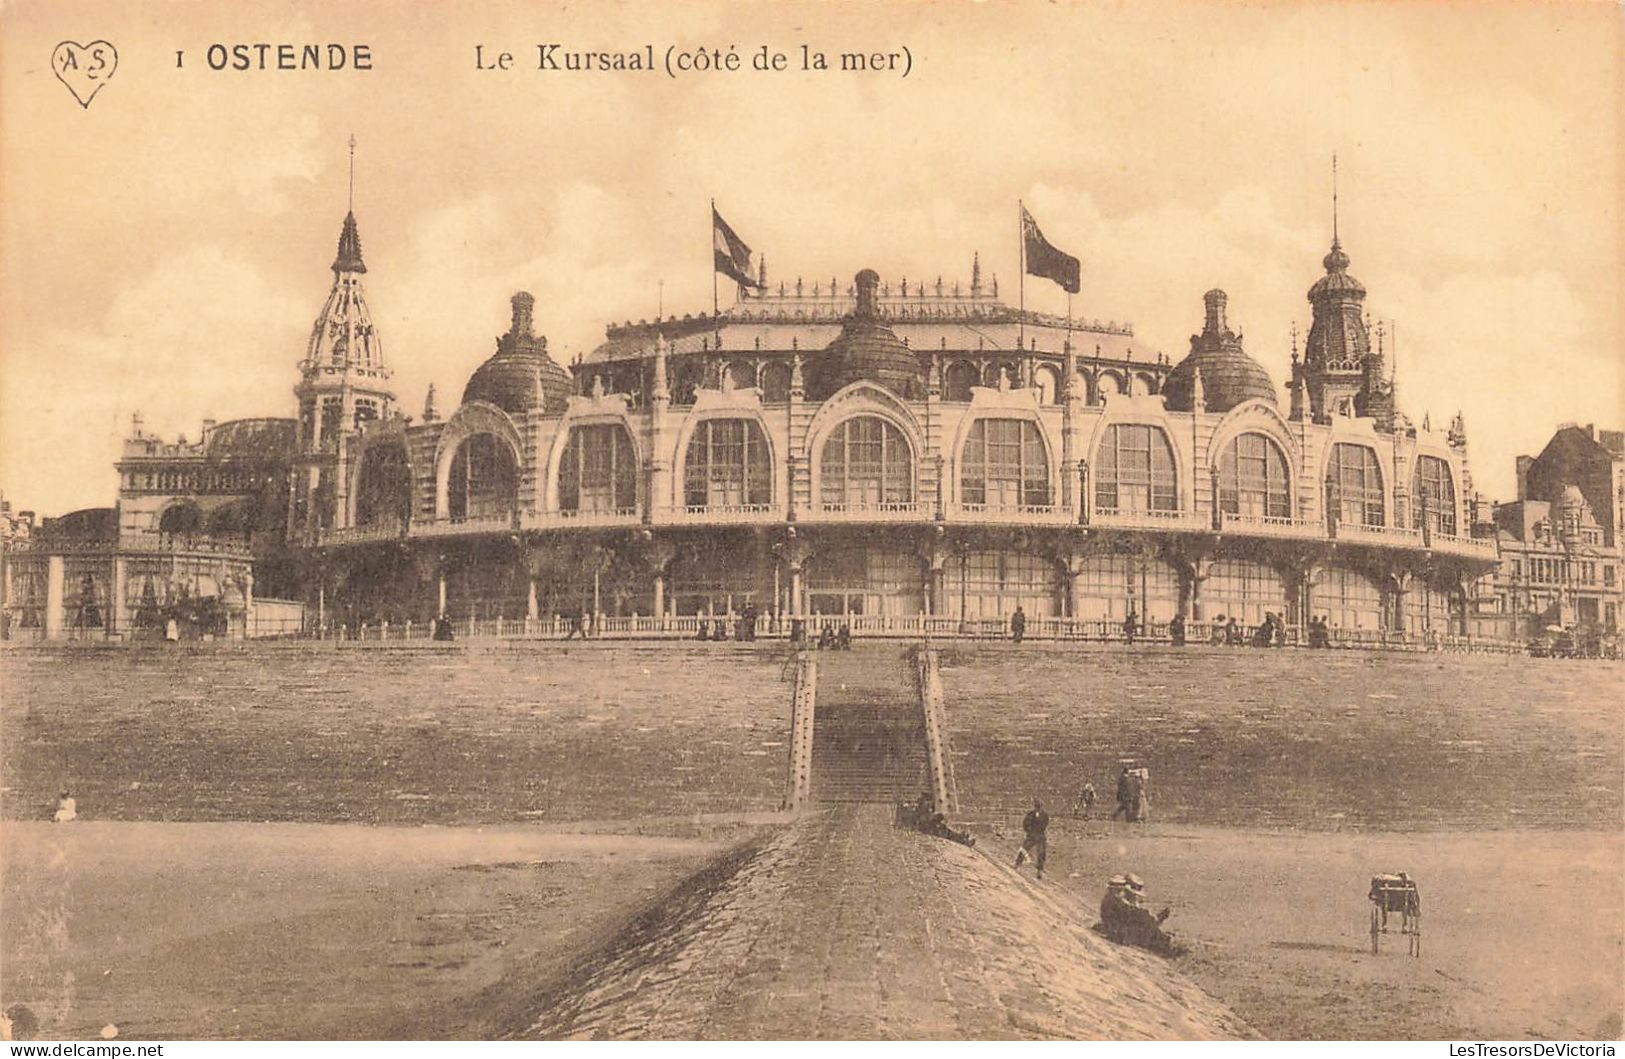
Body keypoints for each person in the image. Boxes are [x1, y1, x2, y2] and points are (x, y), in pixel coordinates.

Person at [1099, 874, 1182, 956]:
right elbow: (1131, 913)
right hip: (1119, 934)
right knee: (1147, 929)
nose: (1121, 892)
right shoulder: (1115, 902)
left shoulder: (1113, 900)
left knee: (1147, 925)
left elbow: (1131, 913)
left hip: (1118, 930)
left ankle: (1162, 938)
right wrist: (1147, 917)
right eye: (1120, 890)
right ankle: (1166, 947)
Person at [1014, 799, 1049, 879]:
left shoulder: (1045, 815)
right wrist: (1029, 831)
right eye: (1037, 806)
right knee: (1024, 848)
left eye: (1040, 806)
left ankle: (1039, 870)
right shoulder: (1031, 814)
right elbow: (1025, 823)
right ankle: (1018, 863)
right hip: (1032, 835)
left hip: (1040, 835)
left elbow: (1045, 823)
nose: (1039, 808)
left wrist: (1040, 830)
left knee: (1041, 853)